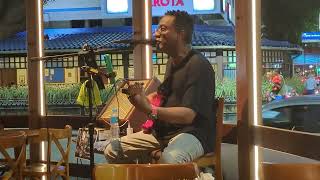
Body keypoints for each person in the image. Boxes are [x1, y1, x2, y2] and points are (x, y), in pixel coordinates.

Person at [104, 10, 216, 164]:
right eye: (157, 29)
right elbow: (159, 96)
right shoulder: (172, 62)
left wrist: (150, 110)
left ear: (181, 34)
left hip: (194, 134)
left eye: (163, 29)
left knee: (169, 160)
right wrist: (139, 96)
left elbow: (188, 115)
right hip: (164, 133)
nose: (156, 33)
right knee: (113, 149)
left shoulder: (198, 65)